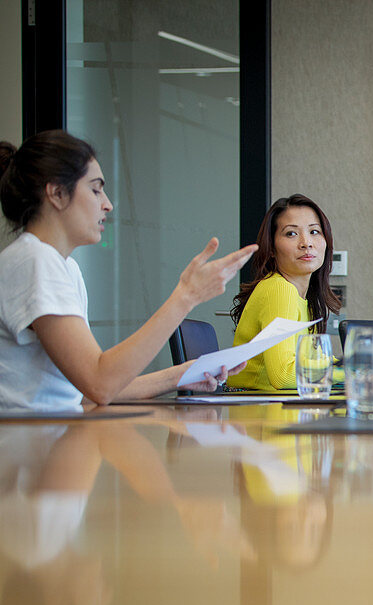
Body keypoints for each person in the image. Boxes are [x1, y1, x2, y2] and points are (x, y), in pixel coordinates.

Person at [0, 130, 256, 411]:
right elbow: (100, 384)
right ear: (57, 193)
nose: (107, 203)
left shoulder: (61, 265)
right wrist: (186, 296)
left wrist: (181, 375)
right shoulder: (35, 259)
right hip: (28, 444)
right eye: (96, 189)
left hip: (52, 437)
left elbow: (87, 390)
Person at [228, 194, 341, 391]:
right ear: (271, 248)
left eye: (314, 231)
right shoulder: (280, 289)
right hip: (255, 412)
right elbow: (284, 375)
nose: (306, 243)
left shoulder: (301, 296)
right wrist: (352, 370)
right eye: (291, 234)